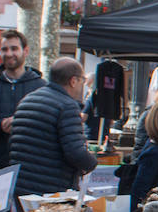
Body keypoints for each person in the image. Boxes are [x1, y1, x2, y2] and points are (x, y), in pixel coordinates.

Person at [9, 57, 99, 196]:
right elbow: (76, 153)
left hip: (22, 186)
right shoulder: (68, 106)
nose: (83, 85)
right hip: (51, 191)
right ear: (73, 81)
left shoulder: (27, 100)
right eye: (82, 80)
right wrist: (92, 162)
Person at [0, 29, 46, 173]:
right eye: (4, 49)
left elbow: (46, 129)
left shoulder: (41, 86)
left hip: (31, 168)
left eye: (14, 48)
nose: (9, 54)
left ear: (25, 51)